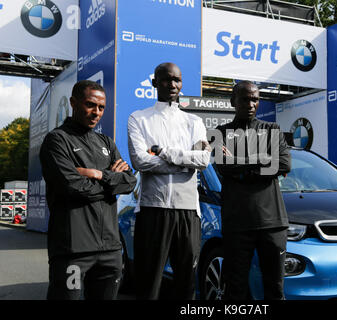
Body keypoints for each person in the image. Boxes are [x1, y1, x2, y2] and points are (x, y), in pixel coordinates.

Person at [40, 80, 137, 300]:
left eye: (101, 107)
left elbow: (130, 182)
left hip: (111, 251)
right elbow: (73, 186)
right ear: (74, 103)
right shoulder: (56, 140)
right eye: (90, 105)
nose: (96, 113)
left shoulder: (107, 142)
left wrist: (98, 174)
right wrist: (113, 183)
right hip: (72, 252)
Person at [127, 62, 211, 300]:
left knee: (186, 286)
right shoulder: (139, 118)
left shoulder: (194, 121)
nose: (172, 84)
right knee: (149, 285)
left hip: (188, 212)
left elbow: (203, 160)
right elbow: (141, 161)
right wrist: (186, 162)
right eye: (166, 79)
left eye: (177, 80)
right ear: (154, 82)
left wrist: (164, 151)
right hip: (153, 210)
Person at [215, 81, 291, 300]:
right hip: (237, 224)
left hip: (273, 223)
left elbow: (284, 165)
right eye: (245, 98)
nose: (251, 104)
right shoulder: (221, 133)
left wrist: (241, 168)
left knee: (274, 289)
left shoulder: (272, 129)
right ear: (233, 102)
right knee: (235, 289)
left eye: (255, 99)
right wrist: (264, 161)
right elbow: (224, 167)